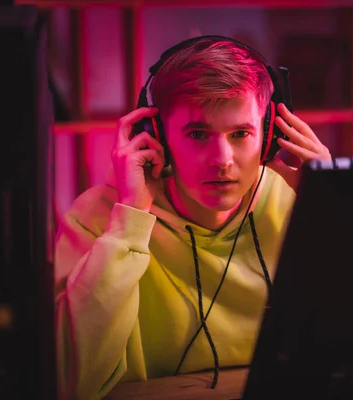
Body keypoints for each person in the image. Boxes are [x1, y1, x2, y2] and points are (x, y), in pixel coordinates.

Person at [54, 35, 332, 400]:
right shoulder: (99, 219)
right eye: (198, 133)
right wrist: (130, 223)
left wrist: (333, 206)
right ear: (157, 137)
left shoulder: (295, 207)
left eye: (240, 133)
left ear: (269, 137)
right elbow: (68, 384)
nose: (222, 160)